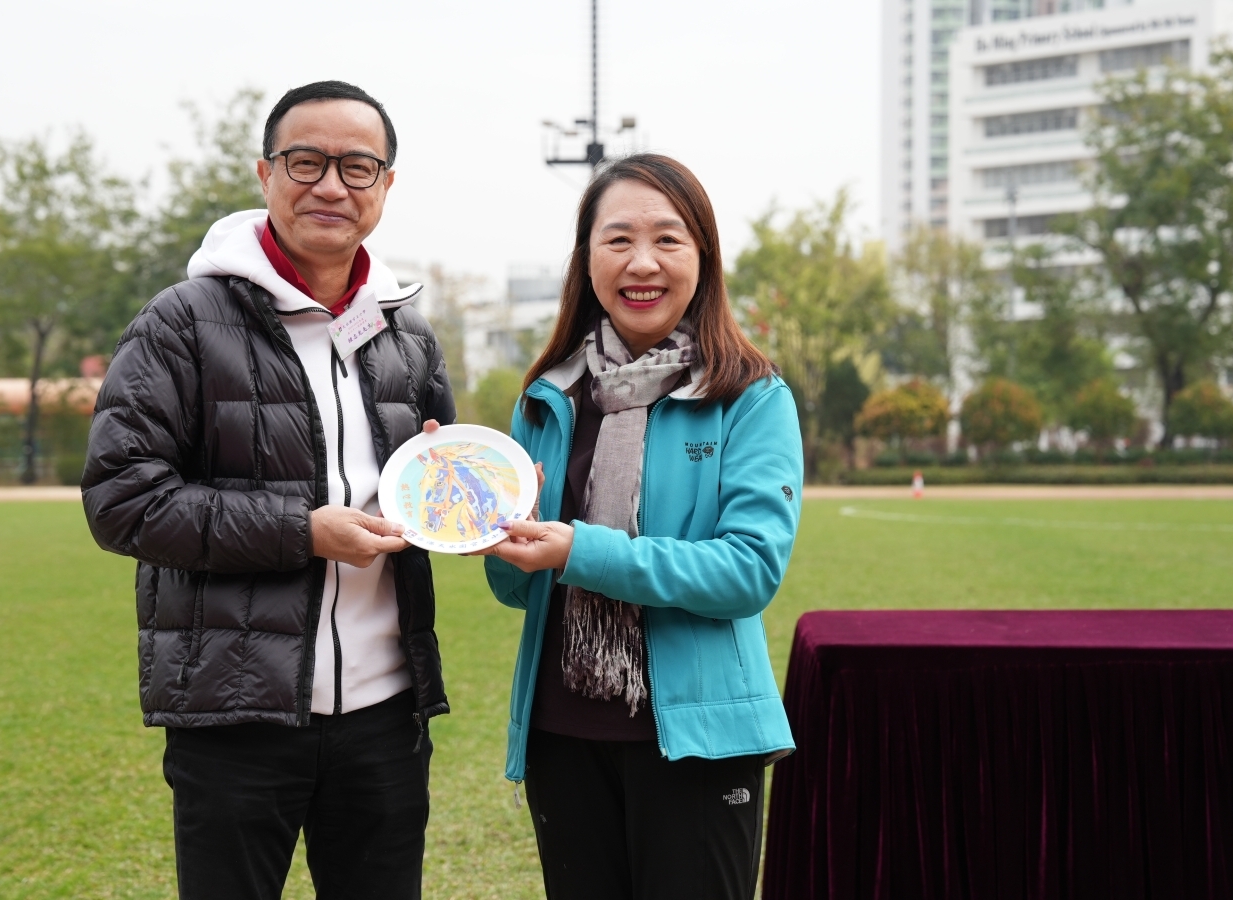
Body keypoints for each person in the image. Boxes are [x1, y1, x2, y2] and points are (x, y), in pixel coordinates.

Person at [82, 81, 457, 900]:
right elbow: (122, 499)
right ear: (266, 174)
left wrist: (474, 493)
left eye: (358, 167)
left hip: (386, 716)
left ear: (386, 184)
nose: (332, 186)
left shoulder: (405, 333)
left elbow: (432, 494)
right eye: (306, 162)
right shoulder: (182, 322)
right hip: (236, 713)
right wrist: (304, 530)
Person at [480, 154, 803, 900]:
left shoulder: (750, 397)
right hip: (563, 736)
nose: (643, 263)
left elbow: (748, 571)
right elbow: (517, 587)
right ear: (587, 259)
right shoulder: (547, 398)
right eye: (618, 239)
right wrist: (476, 515)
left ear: (703, 257)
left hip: (700, 742)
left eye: (667, 239)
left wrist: (579, 550)